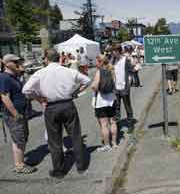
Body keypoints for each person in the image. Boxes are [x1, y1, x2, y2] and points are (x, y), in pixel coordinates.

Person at [22, 49, 91, 179]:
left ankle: (59, 170)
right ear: (59, 58)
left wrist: (39, 98)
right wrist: (75, 92)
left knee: (55, 140)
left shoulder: (40, 73)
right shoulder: (69, 71)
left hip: (51, 107)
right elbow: (87, 80)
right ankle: (81, 166)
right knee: (75, 135)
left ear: (46, 59)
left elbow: (26, 90)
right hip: (67, 104)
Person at [0, 54, 37, 174]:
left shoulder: (14, 76)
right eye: (15, 62)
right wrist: (15, 113)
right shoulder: (4, 77)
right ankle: (19, 165)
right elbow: (4, 97)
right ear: (6, 63)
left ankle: (20, 161)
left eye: (19, 61)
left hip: (21, 112)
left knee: (22, 137)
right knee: (18, 139)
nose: (18, 63)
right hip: (13, 114)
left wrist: (21, 70)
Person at [91, 55, 117, 152]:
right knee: (113, 122)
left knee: (104, 124)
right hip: (112, 100)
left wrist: (94, 87)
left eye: (97, 62)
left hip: (101, 101)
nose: (96, 63)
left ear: (101, 62)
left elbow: (94, 86)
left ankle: (107, 145)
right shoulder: (112, 70)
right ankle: (114, 143)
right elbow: (115, 84)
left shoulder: (99, 72)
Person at [111, 44, 134, 132]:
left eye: (114, 51)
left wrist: (128, 87)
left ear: (118, 51)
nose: (112, 53)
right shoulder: (113, 60)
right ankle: (117, 125)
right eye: (112, 51)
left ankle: (130, 124)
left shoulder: (126, 60)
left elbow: (132, 72)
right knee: (116, 107)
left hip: (124, 87)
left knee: (127, 106)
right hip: (116, 88)